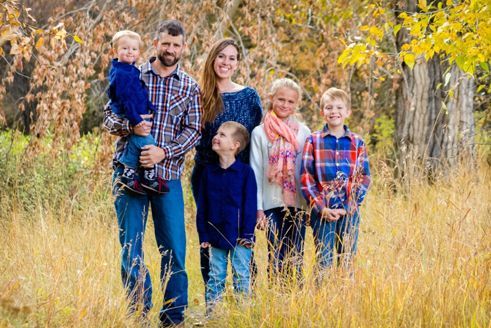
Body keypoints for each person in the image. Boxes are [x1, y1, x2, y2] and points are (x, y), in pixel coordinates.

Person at [103, 20, 201, 326]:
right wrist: (130, 126)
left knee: (173, 248)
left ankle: (173, 317)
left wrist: (163, 152)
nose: (170, 50)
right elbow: (107, 119)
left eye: (176, 45)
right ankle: (138, 314)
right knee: (130, 246)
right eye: (165, 44)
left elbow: (194, 131)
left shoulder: (189, 86)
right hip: (128, 173)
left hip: (168, 175)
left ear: (184, 48)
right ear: (155, 44)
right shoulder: (131, 71)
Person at [191, 38, 262, 286]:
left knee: (243, 235)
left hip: (241, 178)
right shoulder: (199, 95)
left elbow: (259, 139)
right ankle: (215, 303)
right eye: (221, 56)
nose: (226, 62)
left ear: (237, 63)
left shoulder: (249, 96)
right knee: (211, 237)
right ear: (212, 59)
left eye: (232, 58)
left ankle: (245, 302)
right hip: (207, 176)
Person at [300, 87, 370, 278]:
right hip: (322, 212)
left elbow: (363, 178)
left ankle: (345, 303)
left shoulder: (357, 142)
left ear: (348, 112)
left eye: (339, 107)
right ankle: (322, 302)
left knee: (347, 260)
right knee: (324, 261)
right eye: (329, 107)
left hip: (349, 213)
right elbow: (307, 177)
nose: (334, 111)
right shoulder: (313, 140)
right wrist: (321, 207)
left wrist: (349, 206)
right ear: (322, 112)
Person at [250, 78, 311, 284]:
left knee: (297, 253)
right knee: (275, 253)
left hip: (298, 203)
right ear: (271, 99)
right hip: (270, 203)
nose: (285, 105)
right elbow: (256, 172)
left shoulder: (303, 132)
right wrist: (258, 209)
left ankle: (295, 300)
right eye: (281, 99)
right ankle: (277, 298)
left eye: (290, 101)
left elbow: (307, 170)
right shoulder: (260, 132)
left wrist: (311, 205)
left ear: (297, 104)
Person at [196, 121, 257, 313]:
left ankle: (242, 316)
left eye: (222, 135)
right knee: (215, 276)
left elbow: (250, 205)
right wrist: (203, 235)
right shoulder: (208, 173)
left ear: (235, 145)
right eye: (217, 133)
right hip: (215, 235)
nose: (216, 136)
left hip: (240, 236)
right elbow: (202, 206)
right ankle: (212, 316)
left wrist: (248, 234)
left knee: (241, 275)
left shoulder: (245, 173)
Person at [107, 30, 167, 195]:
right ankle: (146, 176)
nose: (129, 52)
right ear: (115, 50)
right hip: (130, 116)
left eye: (133, 49)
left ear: (138, 52)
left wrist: (149, 106)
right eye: (125, 48)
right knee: (147, 142)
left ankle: (129, 176)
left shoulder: (131, 70)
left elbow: (139, 91)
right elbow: (125, 100)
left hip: (137, 113)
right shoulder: (120, 73)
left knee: (137, 143)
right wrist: (135, 121)